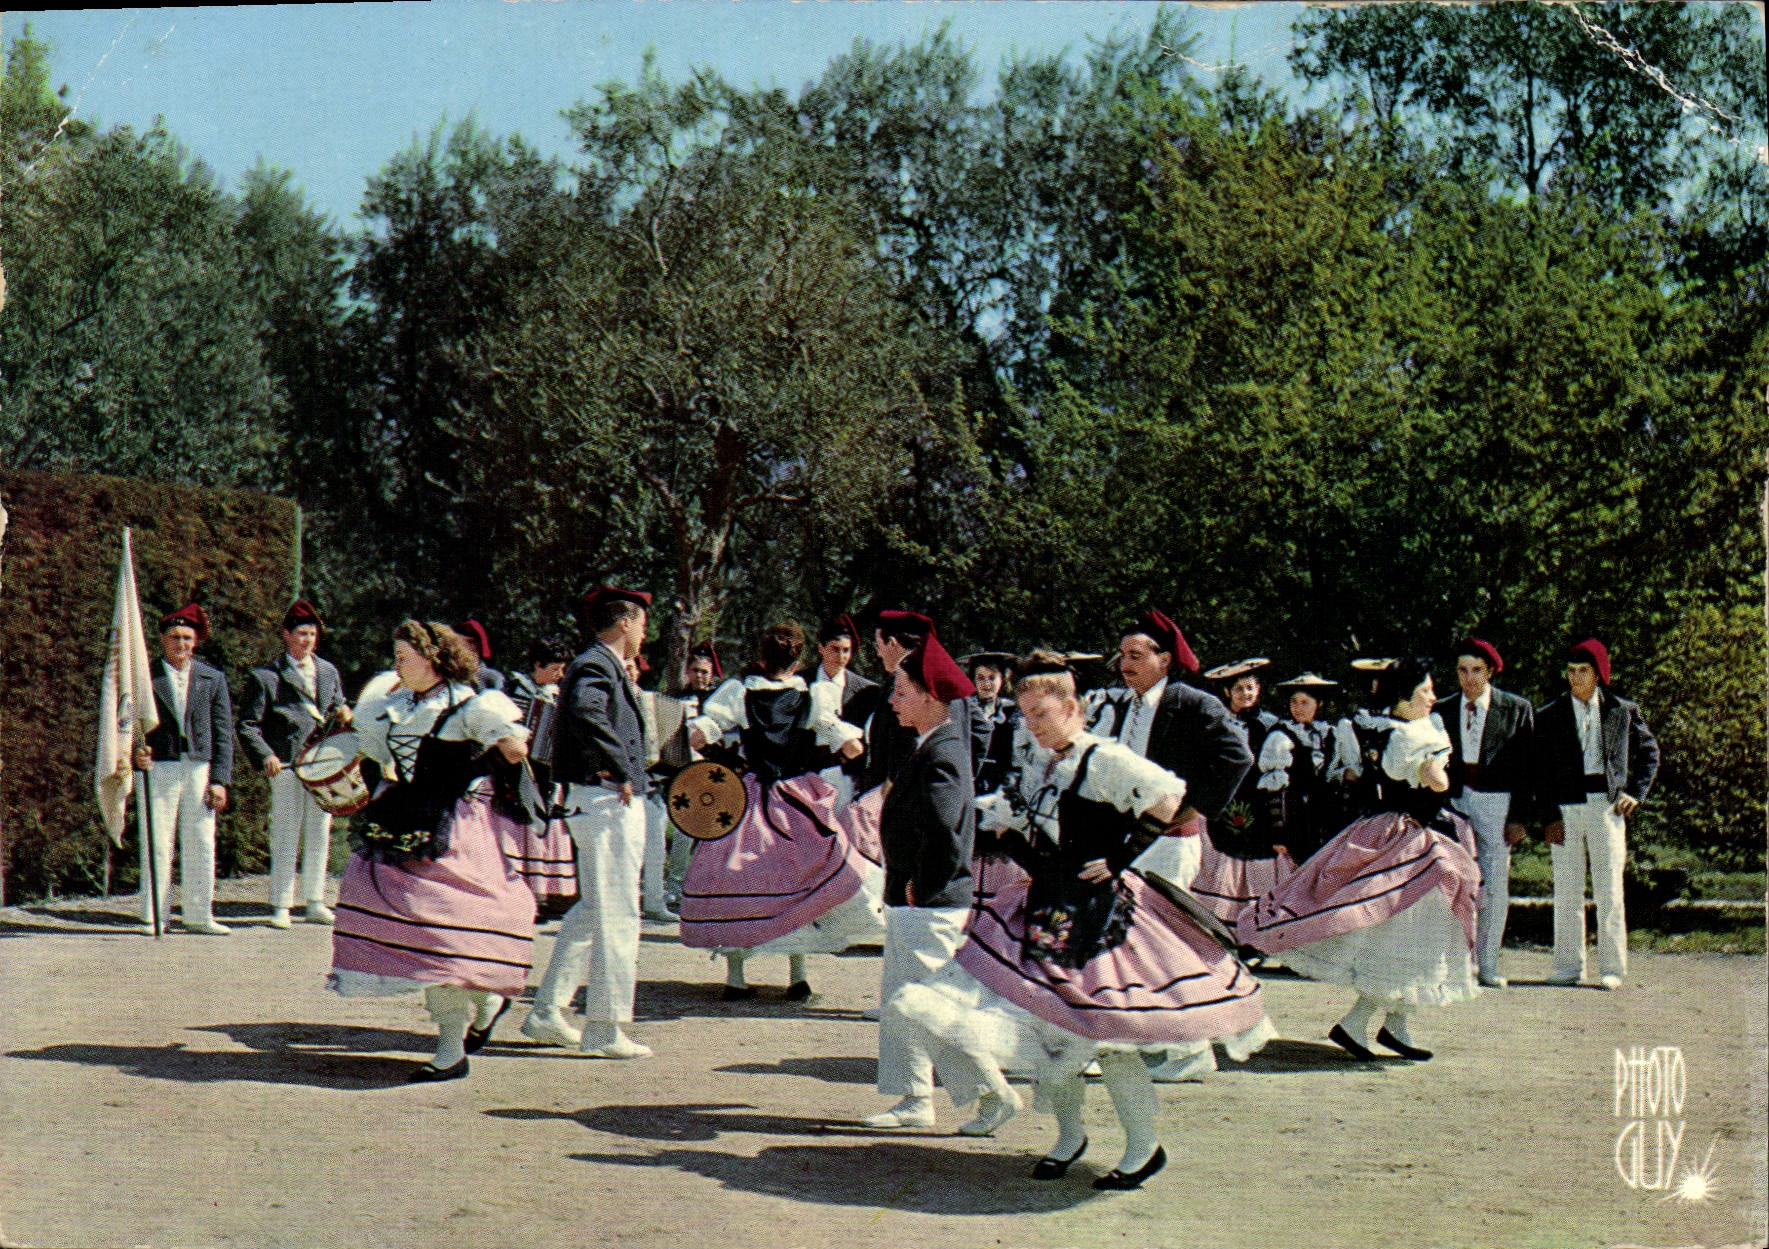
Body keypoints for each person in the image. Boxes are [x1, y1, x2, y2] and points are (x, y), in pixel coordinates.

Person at [882, 653, 1275, 1187]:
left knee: (1109, 1038)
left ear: (1072, 708)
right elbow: (1019, 816)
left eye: (1041, 714)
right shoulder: (1041, 759)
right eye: (1024, 715)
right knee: (1050, 1029)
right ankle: (1070, 1136)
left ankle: (1143, 1148)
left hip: (1097, 917)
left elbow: (1169, 797)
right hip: (1044, 905)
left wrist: (1121, 855)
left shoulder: (1105, 759)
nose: (1031, 725)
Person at [1238, 658, 1482, 1062]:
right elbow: (1436, 781)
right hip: (1406, 841)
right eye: (1425, 691)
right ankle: (1358, 1022)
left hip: (1413, 836)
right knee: (1403, 929)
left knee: (1424, 931)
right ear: (1404, 698)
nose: (1433, 697)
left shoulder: (1402, 729)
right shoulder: (1406, 738)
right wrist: (1435, 764)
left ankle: (1394, 1023)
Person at [327, 620, 538, 1081]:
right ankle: (476, 1018)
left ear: (433, 658)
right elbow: (366, 750)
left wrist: (490, 755)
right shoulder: (395, 703)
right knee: (424, 939)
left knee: (452, 932)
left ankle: (456, 1043)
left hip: (455, 828)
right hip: (404, 819)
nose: (396, 664)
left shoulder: (470, 702)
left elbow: (515, 745)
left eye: (403, 656)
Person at [1084, 609, 1253, 1082]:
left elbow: (1237, 756)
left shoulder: (1191, 702)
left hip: (1170, 843)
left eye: (1136, 655)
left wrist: (1193, 809)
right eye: (1121, 655)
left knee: (1166, 942)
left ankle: (1191, 1049)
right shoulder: (1124, 705)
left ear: (1165, 659)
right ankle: (1130, 1041)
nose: (1125, 664)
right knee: (1123, 942)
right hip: (1131, 839)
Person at [678, 622, 880, 999]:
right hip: (797, 797)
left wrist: (730, 760)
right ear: (799, 658)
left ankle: (736, 977)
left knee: (736, 876)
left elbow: (698, 735)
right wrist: (829, 751)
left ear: (761, 656)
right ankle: (797, 976)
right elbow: (851, 746)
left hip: (750, 794)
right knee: (798, 880)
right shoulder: (814, 696)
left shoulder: (739, 694)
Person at [522, 587, 656, 1059]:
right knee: (619, 912)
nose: (643, 634)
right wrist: (620, 766)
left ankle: (547, 1011)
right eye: (641, 624)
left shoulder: (604, 666)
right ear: (625, 623)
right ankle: (605, 1026)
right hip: (605, 801)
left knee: (593, 910)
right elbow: (583, 711)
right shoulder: (597, 664)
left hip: (599, 801)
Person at [859, 634, 979, 1130]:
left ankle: (981, 1094)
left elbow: (944, 830)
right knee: (909, 1006)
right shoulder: (931, 743)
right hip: (916, 898)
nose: (892, 701)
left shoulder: (944, 750)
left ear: (932, 698)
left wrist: (921, 887)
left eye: (903, 692)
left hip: (928, 900)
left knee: (926, 1008)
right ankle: (916, 1099)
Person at [1534, 638, 1659, 990]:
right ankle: (1567, 966)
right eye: (1571, 671)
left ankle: (1612, 970)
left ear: (1599, 674)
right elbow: (1539, 770)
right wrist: (1548, 815)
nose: (1575, 678)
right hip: (1565, 806)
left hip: (1607, 806)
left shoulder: (1622, 710)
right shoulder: (1550, 714)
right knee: (1567, 889)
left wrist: (1634, 792)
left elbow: (1650, 752)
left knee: (1610, 889)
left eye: (1583, 671)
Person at [236, 599, 352, 929]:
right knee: (286, 833)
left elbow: (337, 704)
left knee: (320, 831)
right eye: (301, 634)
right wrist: (266, 756)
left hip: (324, 762)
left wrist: (344, 713)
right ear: (286, 635)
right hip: (287, 764)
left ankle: (315, 901)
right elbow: (248, 724)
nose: (308, 640)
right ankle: (281, 905)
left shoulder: (328, 671)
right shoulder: (266, 676)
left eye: (313, 634)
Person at [131, 603, 236, 936]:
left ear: (196, 641)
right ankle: (154, 913)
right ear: (162, 639)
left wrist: (220, 780)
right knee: (158, 841)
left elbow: (224, 732)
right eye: (175, 637)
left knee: (202, 840)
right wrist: (135, 753)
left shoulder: (212, 678)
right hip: (160, 766)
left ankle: (199, 914)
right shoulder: (145, 677)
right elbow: (127, 724)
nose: (182, 644)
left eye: (188, 638)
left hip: (198, 767)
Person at [1436, 638, 1535, 988]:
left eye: (1477, 670)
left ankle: (1488, 963)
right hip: (1456, 801)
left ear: (1490, 671)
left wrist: (1519, 816)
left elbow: (1527, 768)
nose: (1469, 678)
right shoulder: (1442, 709)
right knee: (1453, 880)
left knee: (1494, 882)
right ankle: (1454, 964)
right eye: (1463, 670)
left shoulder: (1516, 709)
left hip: (1497, 801)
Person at [1191, 658, 1288, 926]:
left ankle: (1259, 930)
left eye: (1251, 688)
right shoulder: (1215, 722)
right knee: (1225, 858)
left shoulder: (1269, 725)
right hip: (1224, 799)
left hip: (1257, 801)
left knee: (1259, 862)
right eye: (1239, 689)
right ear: (1226, 692)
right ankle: (1224, 926)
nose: (1246, 694)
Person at [501, 636, 577, 913]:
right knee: (521, 825)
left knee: (544, 826)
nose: (560, 674)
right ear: (537, 665)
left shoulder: (556, 694)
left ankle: (542, 896)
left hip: (546, 773)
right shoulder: (514, 690)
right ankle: (517, 895)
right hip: (516, 770)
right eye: (556, 668)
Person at [961, 651, 1021, 795]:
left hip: (999, 788)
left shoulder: (1011, 712)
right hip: (966, 783)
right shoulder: (963, 710)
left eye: (992, 678)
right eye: (981, 678)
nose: (986, 684)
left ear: (1002, 680)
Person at [456, 619, 506, 692]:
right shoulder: (448, 675)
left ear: (480, 646)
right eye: (460, 641)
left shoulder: (492, 678)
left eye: (471, 642)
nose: (464, 646)